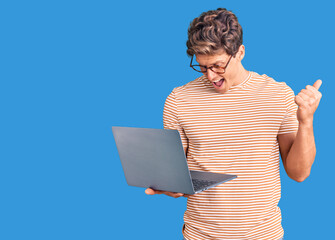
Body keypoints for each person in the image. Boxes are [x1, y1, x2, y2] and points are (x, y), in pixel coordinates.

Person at [145, 8, 322, 240]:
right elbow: (175, 176)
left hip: (263, 235)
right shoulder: (179, 100)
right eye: (203, 66)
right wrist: (170, 185)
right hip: (201, 235)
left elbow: (299, 173)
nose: (210, 76)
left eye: (218, 65)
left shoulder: (277, 94)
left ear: (240, 52)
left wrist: (306, 121)